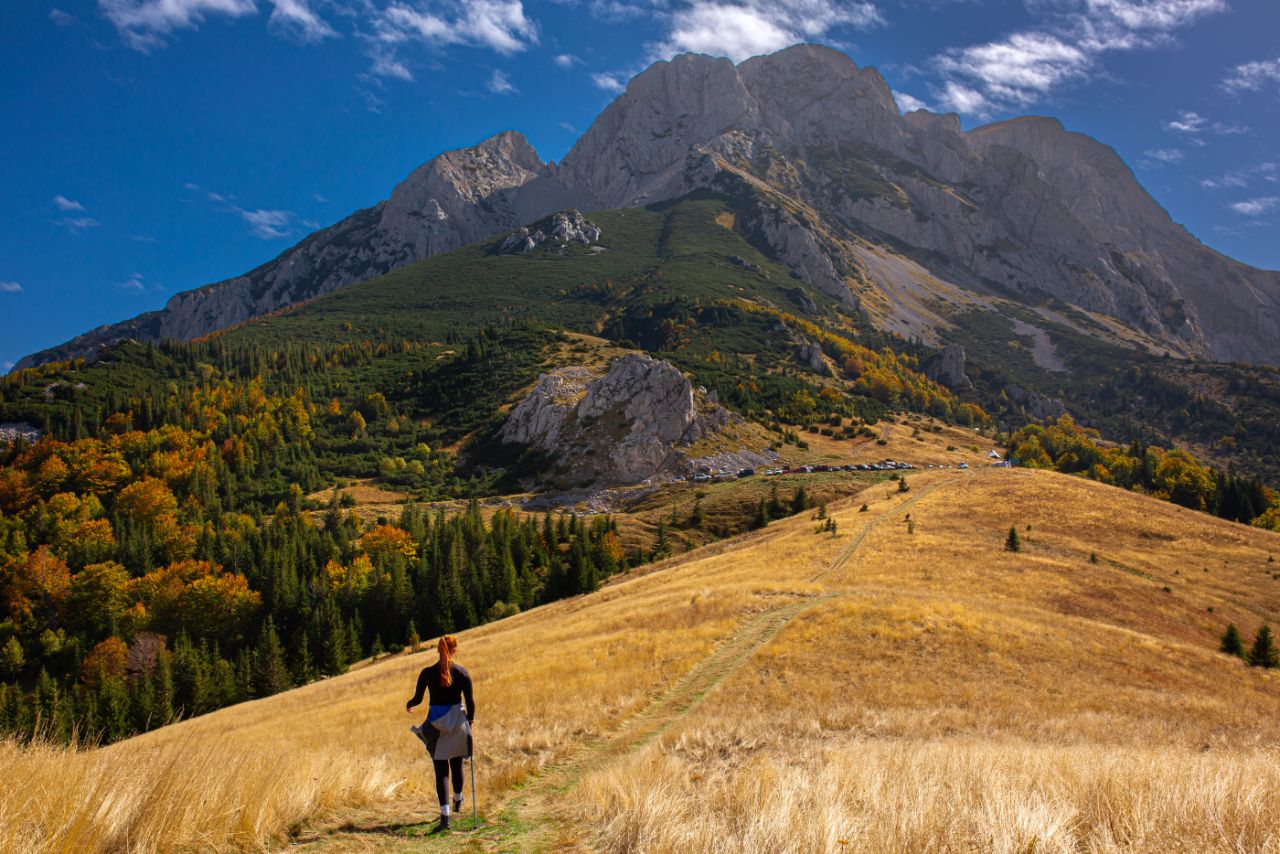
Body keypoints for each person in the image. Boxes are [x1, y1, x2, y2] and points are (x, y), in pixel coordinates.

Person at [407, 634, 475, 832]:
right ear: (455, 649)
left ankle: (445, 818)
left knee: (441, 771)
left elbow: (418, 698)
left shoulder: (427, 673)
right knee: (456, 764)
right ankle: (458, 799)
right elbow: (470, 702)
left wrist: (409, 704)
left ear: (438, 649)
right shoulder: (462, 673)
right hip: (458, 723)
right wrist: (470, 721)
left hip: (436, 726)